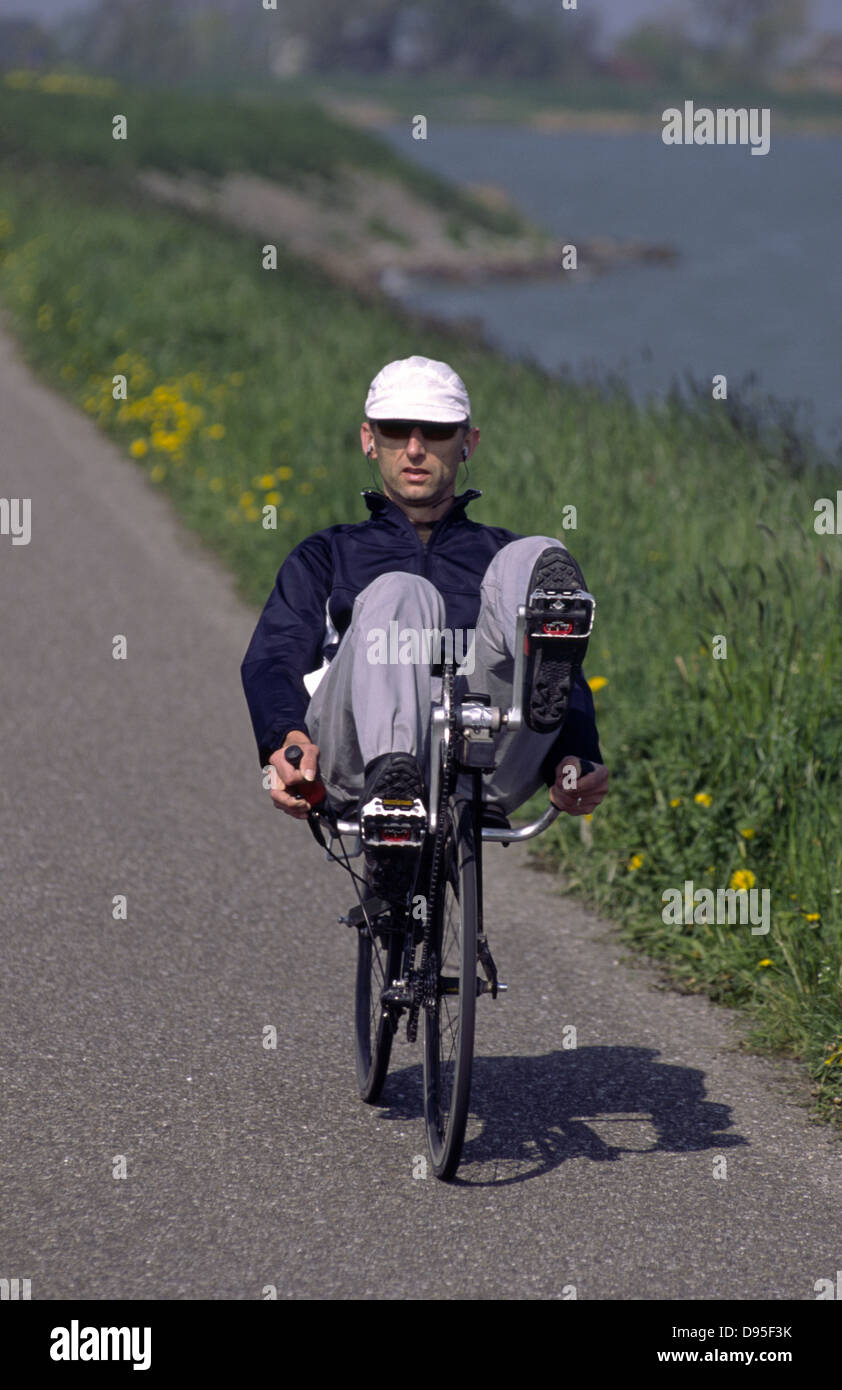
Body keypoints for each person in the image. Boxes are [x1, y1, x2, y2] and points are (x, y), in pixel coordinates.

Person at [241, 355, 609, 901]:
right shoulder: (328, 554)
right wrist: (285, 741)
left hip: (485, 757)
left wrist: (578, 755)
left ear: (468, 443)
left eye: (436, 431)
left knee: (537, 558)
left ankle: (546, 600)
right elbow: (274, 657)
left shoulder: (498, 556)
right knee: (399, 592)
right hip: (357, 760)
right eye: (396, 430)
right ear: (369, 439)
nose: (415, 448)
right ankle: (394, 789)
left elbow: (558, 678)